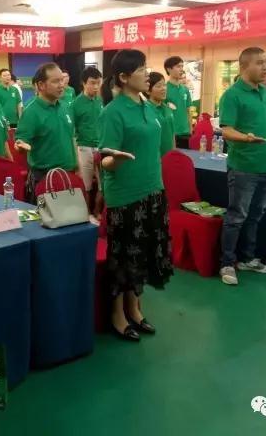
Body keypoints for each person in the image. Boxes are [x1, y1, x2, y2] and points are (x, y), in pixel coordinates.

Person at [99, 49, 172, 342]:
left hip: (153, 189)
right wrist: (115, 159)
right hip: (125, 194)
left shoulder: (148, 106)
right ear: (124, 77)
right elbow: (105, 160)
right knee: (123, 258)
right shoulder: (112, 112)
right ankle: (118, 314)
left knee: (141, 255)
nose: (147, 74)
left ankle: (135, 308)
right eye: (141, 70)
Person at [218, 47, 266, 286]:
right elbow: (226, 130)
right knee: (236, 217)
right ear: (245, 66)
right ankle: (227, 263)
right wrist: (246, 138)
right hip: (244, 168)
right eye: (260, 63)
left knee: (255, 216)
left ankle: (248, 258)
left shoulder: (264, 91)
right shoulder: (232, 95)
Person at [14, 63, 78, 203]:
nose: (61, 85)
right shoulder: (31, 111)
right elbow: (20, 142)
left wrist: (77, 165)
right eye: (55, 81)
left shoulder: (65, 107)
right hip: (44, 179)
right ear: (41, 85)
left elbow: (70, 138)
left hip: (68, 175)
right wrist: (21, 146)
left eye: (62, 80)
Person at [71, 66, 103, 198]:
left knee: (103, 186)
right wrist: (75, 159)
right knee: (86, 187)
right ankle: (87, 210)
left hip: (101, 146)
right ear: (84, 83)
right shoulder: (75, 104)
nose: (96, 87)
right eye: (92, 83)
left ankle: (97, 209)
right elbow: (72, 133)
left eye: (98, 83)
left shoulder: (101, 101)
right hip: (84, 147)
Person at [165, 56, 193, 149]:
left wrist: (190, 129)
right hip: (170, 133)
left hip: (185, 132)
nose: (181, 69)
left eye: (182, 66)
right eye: (178, 66)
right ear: (169, 69)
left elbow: (188, 110)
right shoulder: (164, 89)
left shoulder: (185, 89)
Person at [145, 72, 175, 155]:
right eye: (158, 86)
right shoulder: (145, 110)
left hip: (169, 156)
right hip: (154, 157)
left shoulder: (167, 108)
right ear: (148, 91)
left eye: (164, 85)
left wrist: (174, 153)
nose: (163, 88)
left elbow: (172, 134)